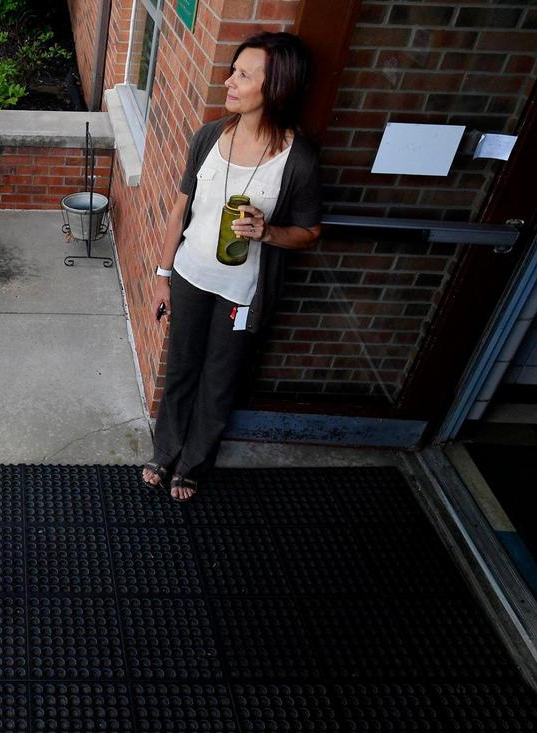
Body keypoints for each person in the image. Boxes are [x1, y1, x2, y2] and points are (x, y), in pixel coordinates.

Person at [142, 32, 322, 501]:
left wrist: (268, 233)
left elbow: (310, 233)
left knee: (219, 380)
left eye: (243, 75)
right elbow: (178, 214)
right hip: (189, 277)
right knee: (181, 368)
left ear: (276, 86)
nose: (230, 82)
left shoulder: (298, 160)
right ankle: (165, 451)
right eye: (233, 71)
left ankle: (193, 464)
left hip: (242, 292)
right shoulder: (209, 136)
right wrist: (162, 277)